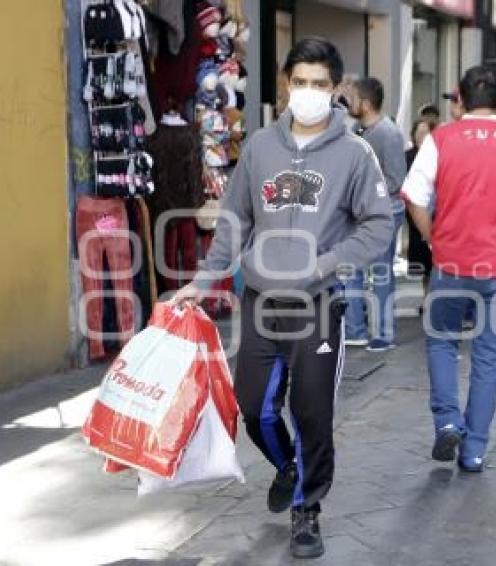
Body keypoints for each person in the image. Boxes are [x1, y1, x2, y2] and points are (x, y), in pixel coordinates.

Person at [172, 38, 393, 559]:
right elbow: (233, 223)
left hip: (318, 305)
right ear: (286, 84)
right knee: (253, 408)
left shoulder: (354, 153)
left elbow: (379, 225)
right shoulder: (259, 147)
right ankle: (289, 465)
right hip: (262, 301)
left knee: (311, 410)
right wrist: (202, 283)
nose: (309, 92)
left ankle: (307, 509)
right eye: (301, 82)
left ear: (336, 89)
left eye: (320, 83)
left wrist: (324, 263)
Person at [403, 66, 496, 472]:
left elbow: (414, 197)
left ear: (461, 100)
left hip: (451, 262)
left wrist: (433, 237)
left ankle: (448, 419)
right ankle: (474, 450)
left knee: (442, 342)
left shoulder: (440, 139)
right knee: (489, 355)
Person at [344, 77, 408, 351]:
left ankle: (383, 333)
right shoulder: (358, 131)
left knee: (380, 274)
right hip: (360, 214)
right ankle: (355, 329)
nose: (349, 102)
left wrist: (363, 193)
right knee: (352, 272)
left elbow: (396, 180)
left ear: (366, 104)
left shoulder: (388, 133)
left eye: (354, 98)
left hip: (384, 214)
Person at [405, 119, 434, 294]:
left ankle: (433, 298)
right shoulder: (407, 156)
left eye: (426, 132)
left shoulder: (437, 155)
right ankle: (427, 296)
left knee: (435, 261)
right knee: (423, 262)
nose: (422, 136)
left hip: (436, 213)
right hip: (415, 213)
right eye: (419, 132)